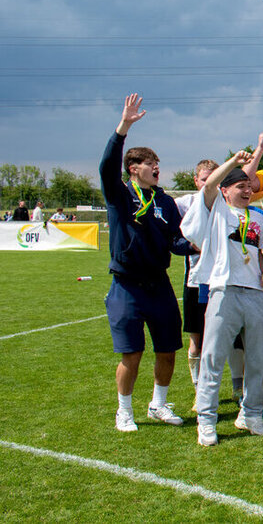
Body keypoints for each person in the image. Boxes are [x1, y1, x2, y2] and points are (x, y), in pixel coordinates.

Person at [100, 93, 191, 432]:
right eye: (149, 162)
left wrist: (196, 245)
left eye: (158, 162)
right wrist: (123, 128)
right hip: (127, 286)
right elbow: (106, 166)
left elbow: (175, 242)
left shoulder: (165, 202)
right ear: (133, 169)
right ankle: (124, 410)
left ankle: (159, 404)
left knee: (168, 349)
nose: (156, 167)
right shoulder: (121, 196)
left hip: (159, 285)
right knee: (132, 354)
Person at [181, 152, 263, 446]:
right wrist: (233, 162)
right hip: (224, 291)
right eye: (239, 186)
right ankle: (206, 421)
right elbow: (208, 187)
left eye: (249, 187)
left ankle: (252, 414)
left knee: (257, 359)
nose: (247, 191)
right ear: (225, 189)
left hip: (255, 296)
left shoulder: (257, 216)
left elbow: (257, 250)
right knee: (213, 359)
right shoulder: (217, 209)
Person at [175, 160, 246, 406]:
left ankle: (238, 387)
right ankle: (199, 388)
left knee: (235, 336)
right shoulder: (184, 203)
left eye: (214, 177)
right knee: (198, 339)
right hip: (197, 282)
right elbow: (174, 240)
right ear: (196, 181)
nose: (209, 182)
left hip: (226, 282)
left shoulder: (230, 208)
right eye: (205, 179)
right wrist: (193, 246)